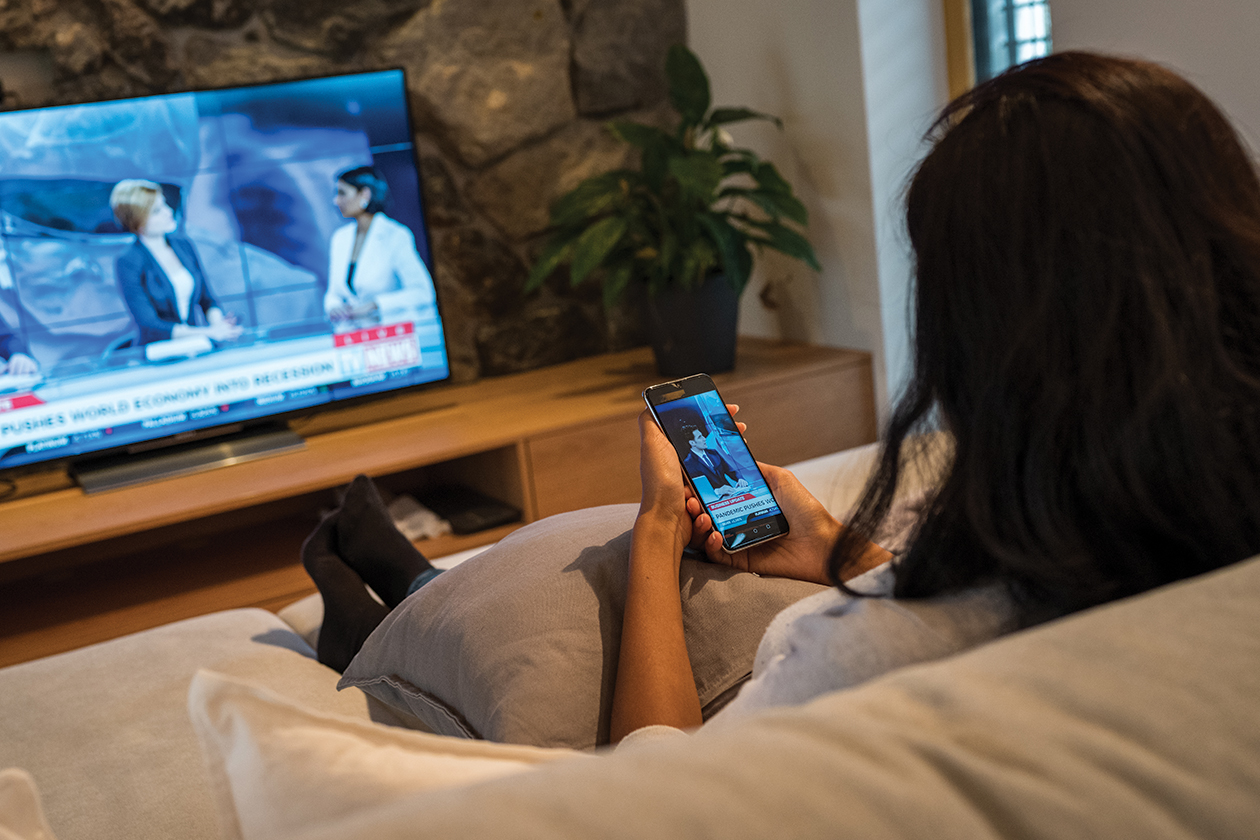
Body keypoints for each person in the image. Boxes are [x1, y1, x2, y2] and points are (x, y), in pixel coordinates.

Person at [303, 52, 1260, 744]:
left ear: (978, 348)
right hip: (841, 573)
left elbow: (659, 793)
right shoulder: (1203, 559)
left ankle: (385, 618)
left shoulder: (873, 664)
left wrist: (651, 530)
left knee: (504, 615)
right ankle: (405, 584)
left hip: (721, 679)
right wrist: (848, 553)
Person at [110, 180, 243, 346]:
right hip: (159, 353)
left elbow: (207, 299)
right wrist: (209, 332)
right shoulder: (128, 261)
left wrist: (218, 325)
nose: (168, 212)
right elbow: (150, 325)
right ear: (138, 221)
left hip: (196, 345)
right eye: (157, 211)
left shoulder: (183, 245)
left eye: (165, 205)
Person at [324, 166, 436, 330]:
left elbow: (423, 293)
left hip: (391, 335)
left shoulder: (395, 235)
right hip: (351, 336)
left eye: (342, 193)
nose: (336, 201)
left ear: (365, 195)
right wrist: (334, 307)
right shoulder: (340, 238)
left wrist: (375, 305)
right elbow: (333, 293)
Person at [679, 421, 749, 498]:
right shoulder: (688, 463)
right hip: (714, 501)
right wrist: (718, 491)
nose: (704, 438)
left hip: (731, 494)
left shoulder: (713, 453)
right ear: (692, 443)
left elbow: (730, 470)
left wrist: (740, 479)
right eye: (699, 437)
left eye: (702, 435)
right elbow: (700, 489)